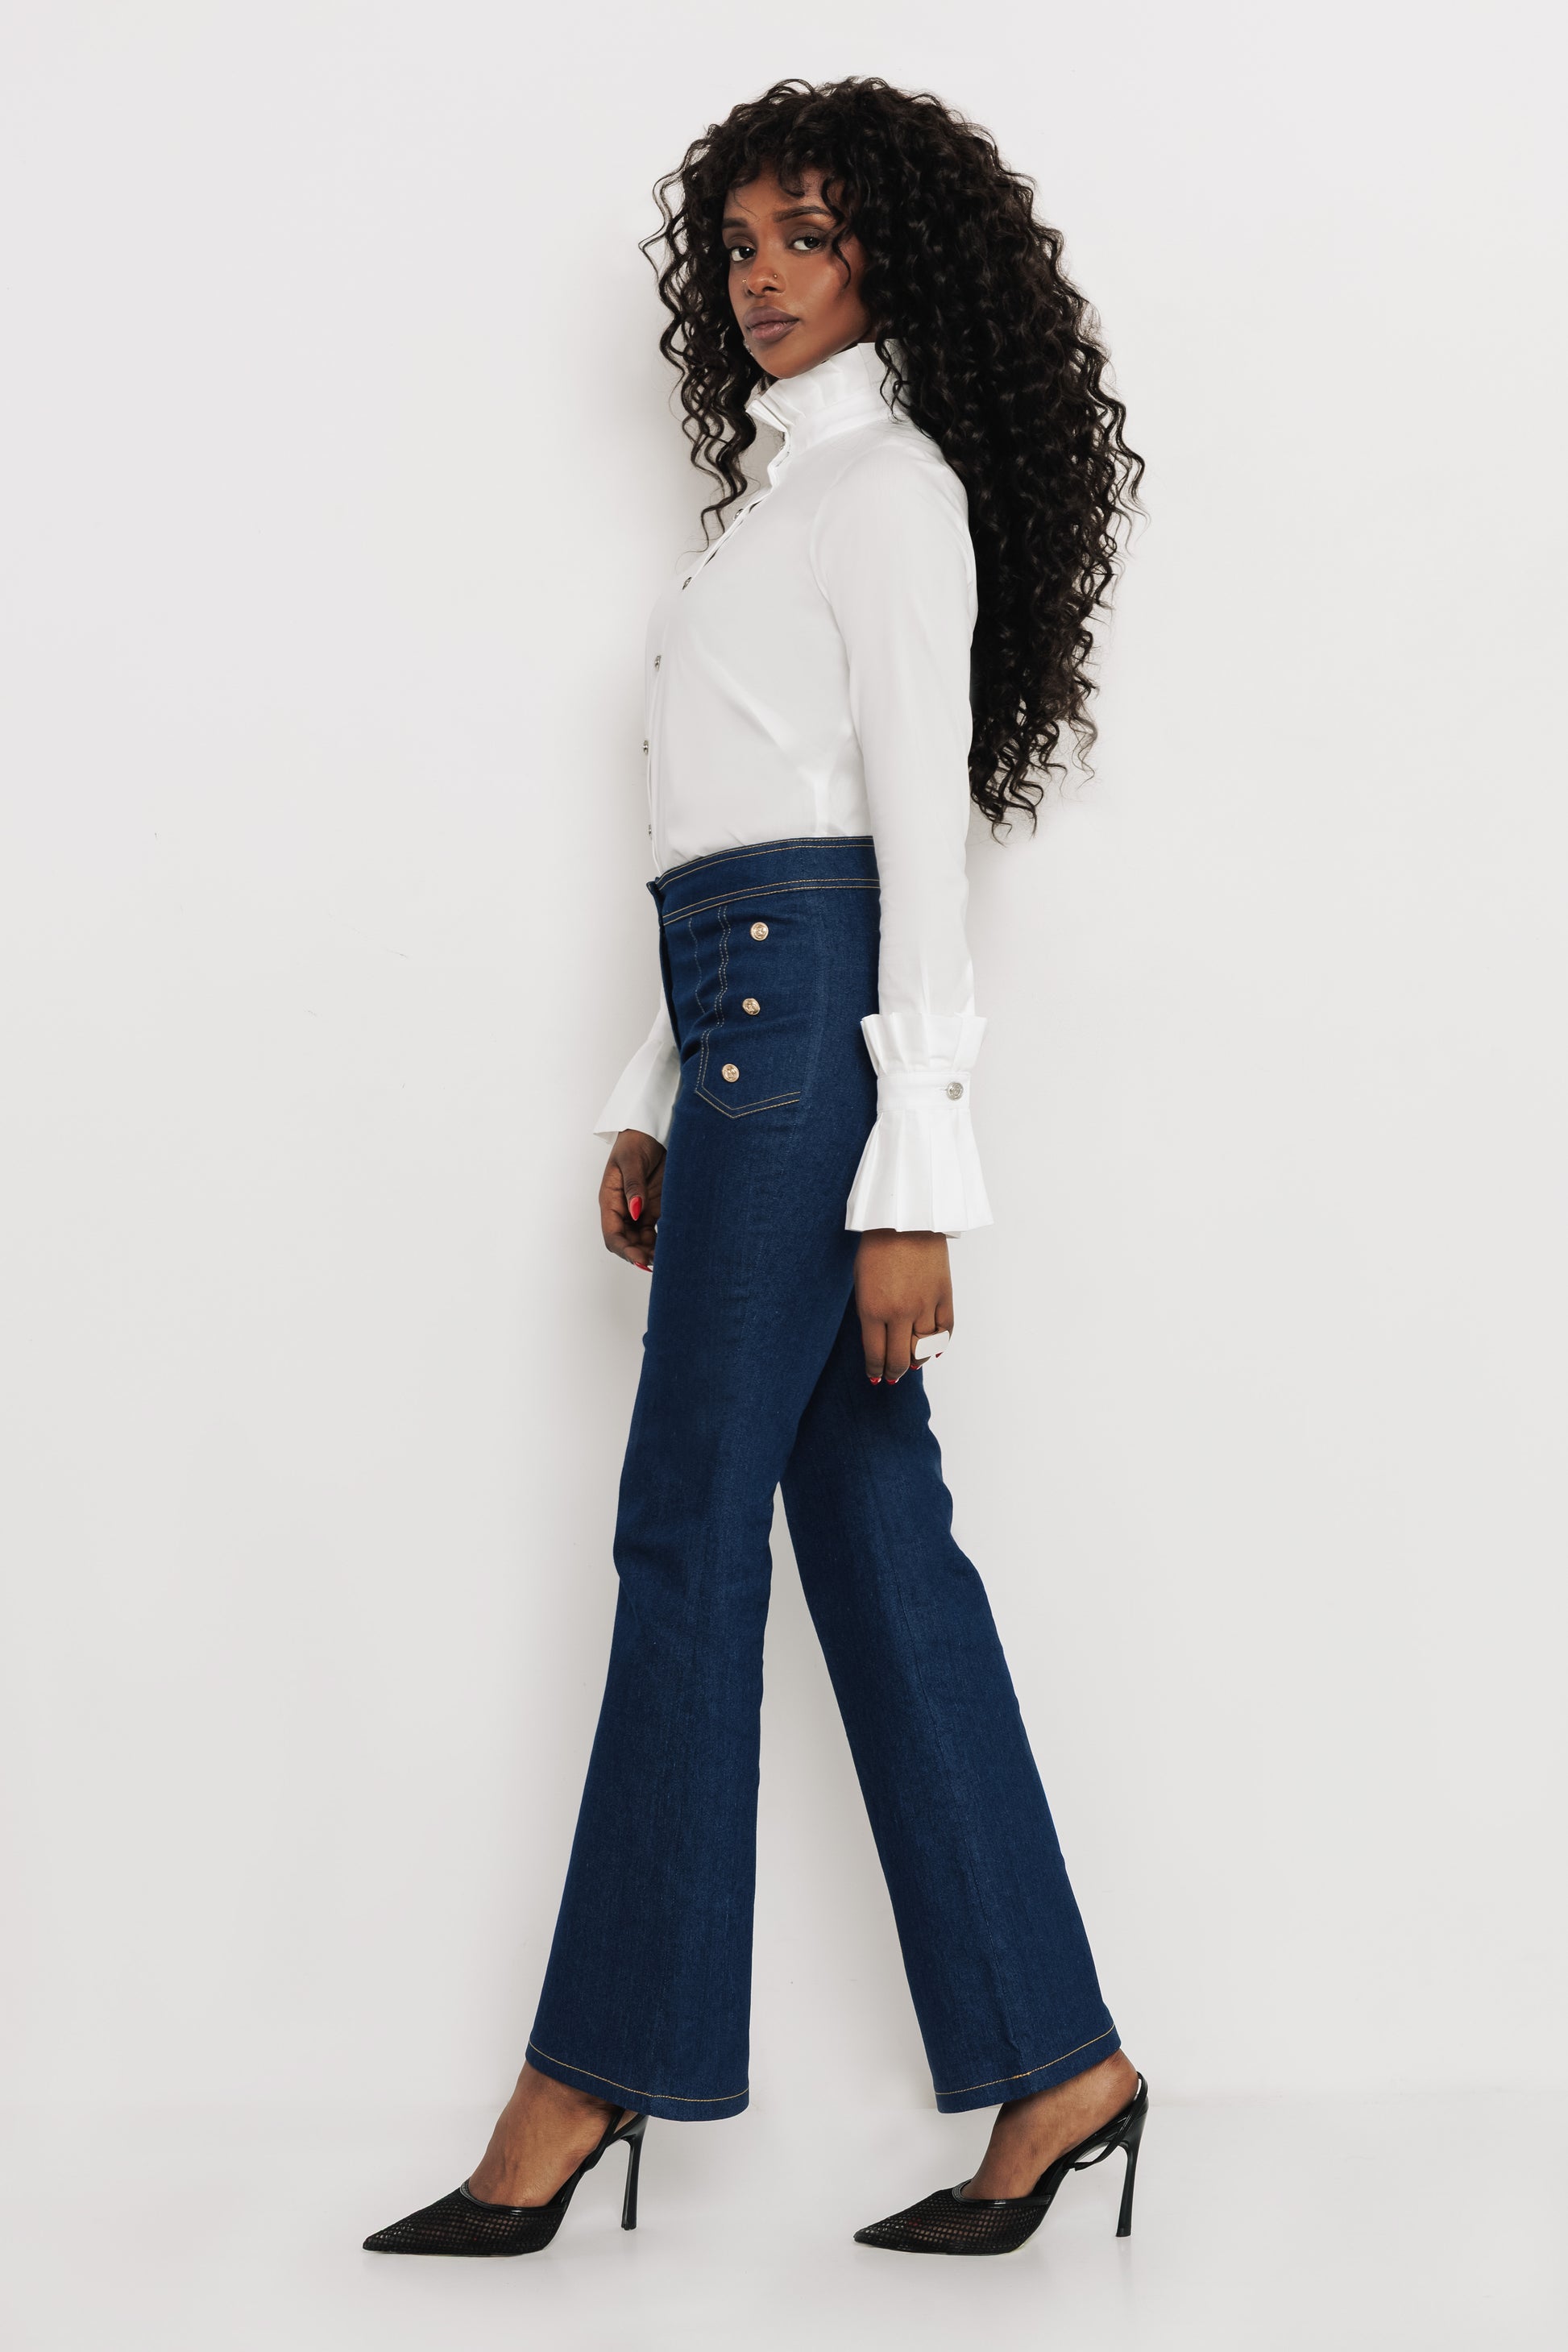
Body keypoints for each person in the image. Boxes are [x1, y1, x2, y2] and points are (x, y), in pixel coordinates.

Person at [365, 76, 1147, 2263]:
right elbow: (723, 843)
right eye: (737, 245)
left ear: (898, 253)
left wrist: (916, 1180)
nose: (765, 277)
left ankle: (587, 2073)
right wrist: (645, 1086)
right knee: (874, 1540)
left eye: (810, 234)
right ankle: (1058, 2064)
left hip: (813, 1045)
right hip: (739, 1021)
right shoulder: (775, 505)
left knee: (684, 1529)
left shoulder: (891, 496)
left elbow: (911, 849)